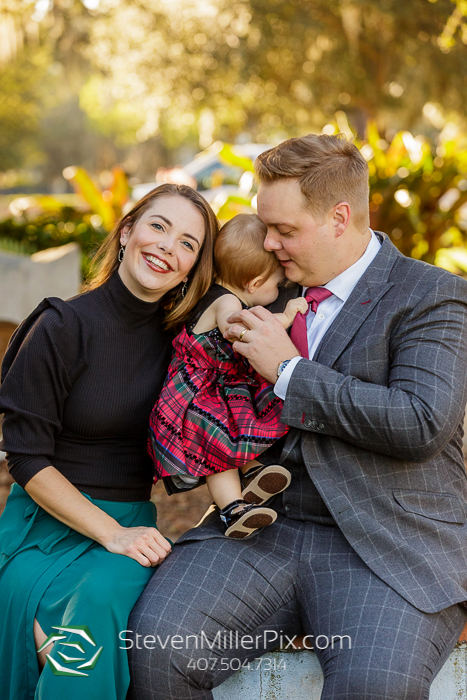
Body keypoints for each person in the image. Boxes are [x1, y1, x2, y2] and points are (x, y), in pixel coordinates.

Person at [128, 135, 467, 700]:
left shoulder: (432, 296)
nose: (268, 242)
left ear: (340, 218)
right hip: (261, 528)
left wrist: (288, 372)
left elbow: (421, 422)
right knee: (155, 650)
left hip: (386, 542)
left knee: (373, 688)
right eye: (266, 226)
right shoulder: (266, 284)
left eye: (285, 231)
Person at [0, 183, 218, 700]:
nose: (168, 246)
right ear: (127, 232)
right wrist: (111, 534)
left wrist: (122, 537)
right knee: (76, 632)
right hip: (44, 526)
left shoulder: (184, 338)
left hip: (129, 527)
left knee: (98, 602)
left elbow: (246, 286)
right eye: (158, 226)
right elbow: (26, 459)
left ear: (194, 268)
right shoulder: (60, 326)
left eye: (188, 243)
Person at [149, 213, 305, 538]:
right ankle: (232, 509)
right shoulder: (227, 302)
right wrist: (287, 315)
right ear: (254, 284)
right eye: (277, 285)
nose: (279, 292)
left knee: (234, 430)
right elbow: (243, 328)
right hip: (198, 399)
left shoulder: (214, 290)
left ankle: (251, 473)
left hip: (210, 388)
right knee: (218, 449)